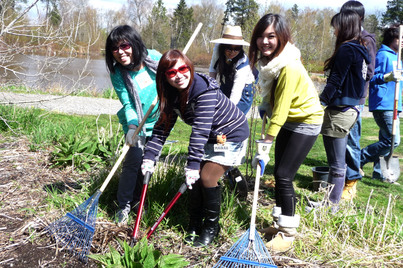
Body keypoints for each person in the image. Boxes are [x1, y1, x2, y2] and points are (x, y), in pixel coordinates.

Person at [141, 50, 249, 247]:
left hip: (231, 134)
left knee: (206, 177)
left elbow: (199, 132)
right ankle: (194, 223)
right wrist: (149, 157)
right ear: (164, 76)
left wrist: (192, 166)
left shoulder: (203, 91)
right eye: (171, 72)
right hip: (211, 136)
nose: (179, 75)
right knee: (195, 180)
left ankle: (211, 227)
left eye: (182, 69)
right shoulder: (172, 94)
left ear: (189, 67)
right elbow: (161, 129)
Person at [249, 13, 324, 251]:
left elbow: (281, 111)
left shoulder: (289, 66)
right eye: (260, 36)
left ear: (282, 37)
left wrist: (265, 144)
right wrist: (263, 106)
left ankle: (289, 233)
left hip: (306, 122)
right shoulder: (271, 65)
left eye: (271, 36)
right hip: (290, 120)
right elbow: (273, 98)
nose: (265, 41)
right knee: (280, 172)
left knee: (283, 175)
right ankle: (278, 224)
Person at [105, 25, 161, 225]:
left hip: (160, 123)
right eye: (115, 49)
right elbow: (128, 103)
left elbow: (173, 73)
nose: (120, 52)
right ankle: (123, 207)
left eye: (124, 45)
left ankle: (140, 203)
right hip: (134, 123)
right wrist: (131, 127)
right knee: (133, 162)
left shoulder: (154, 57)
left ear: (134, 43)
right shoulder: (118, 73)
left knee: (147, 165)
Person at [319, 12, 370, 208]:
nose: (334, 32)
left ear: (345, 27)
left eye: (336, 27)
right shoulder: (360, 49)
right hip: (352, 108)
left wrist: (321, 102)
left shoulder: (347, 49)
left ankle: (331, 205)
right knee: (338, 161)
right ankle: (331, 202)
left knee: (337, 162)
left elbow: (335, 80)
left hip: (340, 110)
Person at [209, 25, 256, 198]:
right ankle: (219, 157)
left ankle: (231, 163)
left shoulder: (243, 65)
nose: (232, 52)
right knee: (216, 126)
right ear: (222, 46)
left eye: (236, 48)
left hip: (243, 93)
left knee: (231, 126)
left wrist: (224, 117)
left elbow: (235, 97)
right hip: (226, 86)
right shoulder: (217, 51)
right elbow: (212, 74)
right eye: (228, 48)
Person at [340, 0, 377, 200]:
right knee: (338, 138)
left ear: (359, 18)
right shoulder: (344, 37)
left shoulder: (366, 39)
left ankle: (352, 180)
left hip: (355, 97)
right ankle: (339, 175)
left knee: (351, 139)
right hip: (339, 96)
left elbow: (369, 72)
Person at [360, 25, 402, 182]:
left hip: (394, 104)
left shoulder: (396, 57)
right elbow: (371, 76)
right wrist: (387, 77)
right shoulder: (383, 55)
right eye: (401, 39)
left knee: (385, 139)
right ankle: (359, 158)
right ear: (393, 39)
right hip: (384, 104)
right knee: (393, 140)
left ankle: (379, 173)